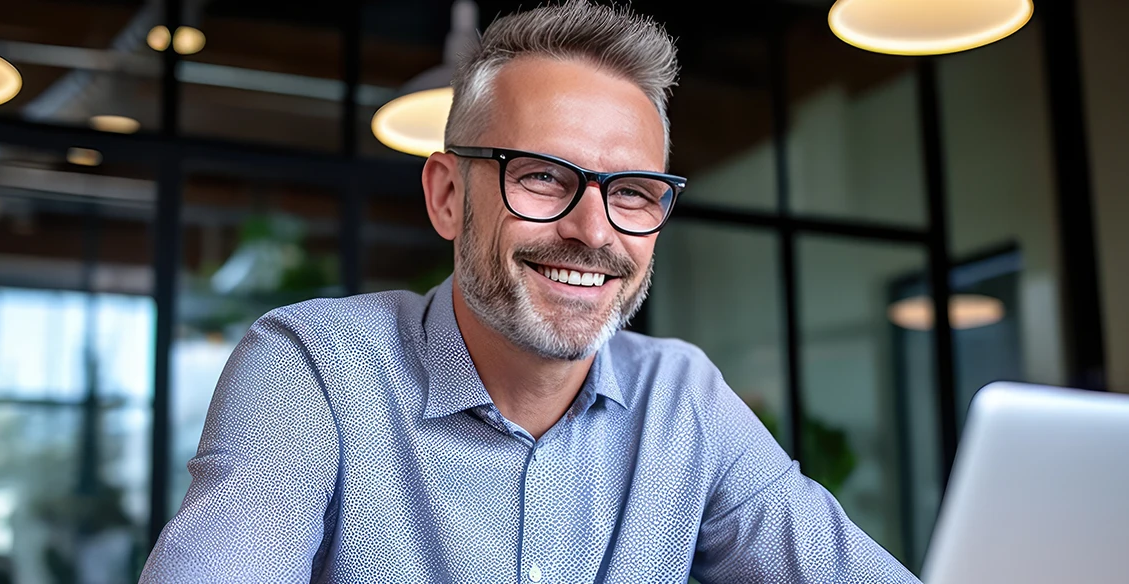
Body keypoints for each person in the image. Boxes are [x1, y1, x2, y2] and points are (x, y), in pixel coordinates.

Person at [140, 1, 920, 582]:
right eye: (543, 177)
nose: (595, 231)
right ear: (448, 197)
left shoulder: (682, 398)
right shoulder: (315, 369)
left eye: (636, 192)